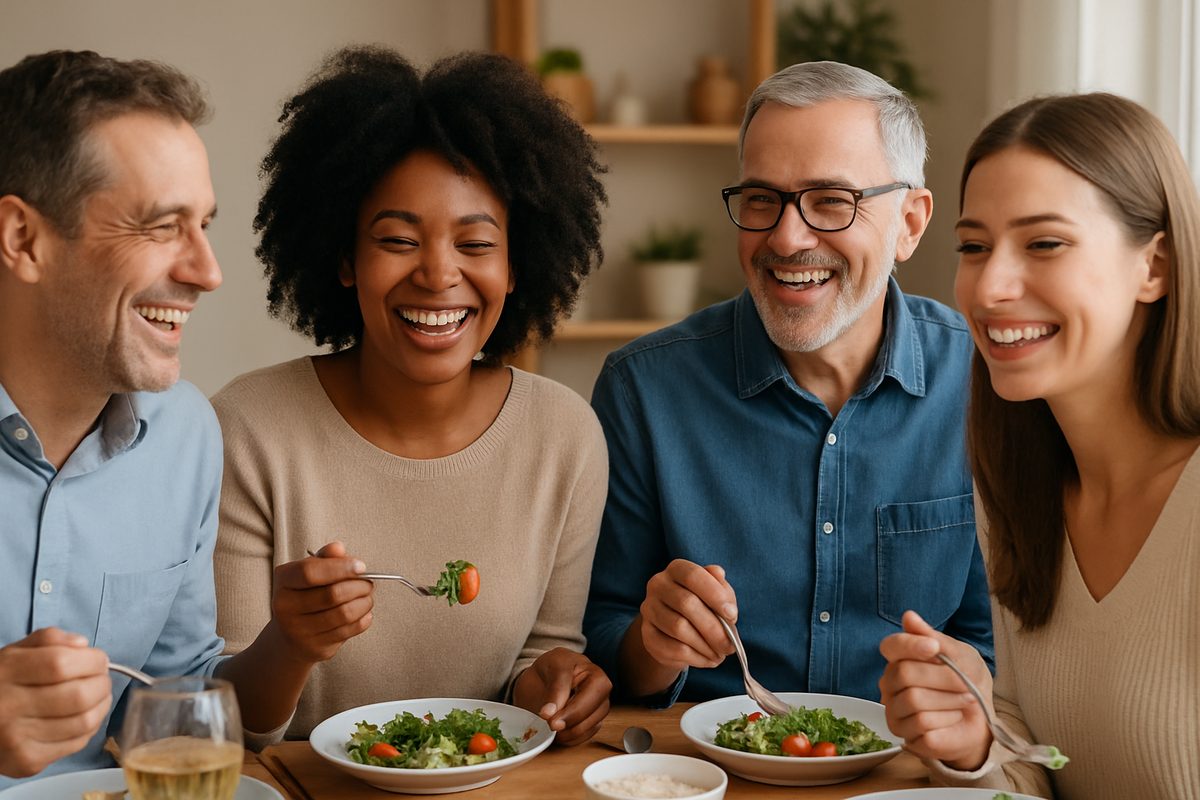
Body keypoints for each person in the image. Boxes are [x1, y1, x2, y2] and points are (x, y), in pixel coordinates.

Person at [211, 46, 612, 746]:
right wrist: (291, 644)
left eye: (476, 243)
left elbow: (533, 661)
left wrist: (554, 683)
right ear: (344, 259)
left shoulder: (563, 437)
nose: (437, 274)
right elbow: (225, 720)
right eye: (398, 239)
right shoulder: (249, 428)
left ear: (517, 266)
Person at [583, 60, 993, 706]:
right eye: (761, 200)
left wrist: (969, 695)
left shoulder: (984, 387)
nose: (787, 236)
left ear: (910, 223)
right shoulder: (642, 391)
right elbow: (600, 645)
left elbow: (1001, 646)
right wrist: (653, 644)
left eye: (831, 201)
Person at [878, 92, 1200, 798]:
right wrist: (976, 745)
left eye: (1044, 243)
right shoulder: (1017, 489)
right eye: (973, 247)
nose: (989, 287)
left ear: (1156, 266)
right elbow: (1047, 765)